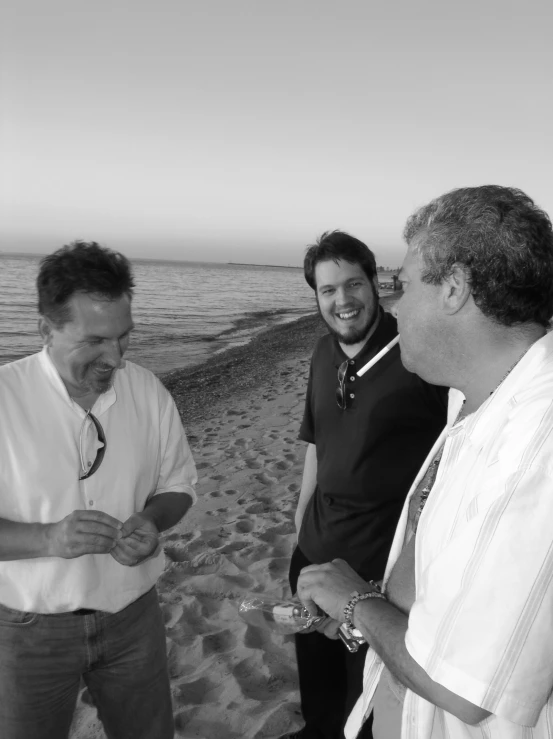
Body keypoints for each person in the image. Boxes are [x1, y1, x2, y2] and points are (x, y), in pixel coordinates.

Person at [296, 186, 553, 739]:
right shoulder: (472, 393)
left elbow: (462, 688)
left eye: (402, 286)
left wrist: (357, 603)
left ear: (455, 288)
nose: (395, 305)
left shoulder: (537, 447)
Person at [0, 241, 197, 739]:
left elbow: (178, 485)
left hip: (134, 617)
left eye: (124, 338)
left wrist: (152, 522)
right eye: (94, 342)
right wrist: (48, 540)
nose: (117, 358)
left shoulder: (148, 391)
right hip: (25, 632)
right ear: (45, 329)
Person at [282, 231, 448, 739]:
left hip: (375, 570)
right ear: (315, 296)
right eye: (327, 290)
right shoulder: (321, 353)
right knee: (319, 686)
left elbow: (451, 456)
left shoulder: (418, 353)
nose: (342, 300)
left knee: (367, 704)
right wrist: (299, 520)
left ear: (375, 283)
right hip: (313, 554)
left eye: (353, 284)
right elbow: (315, 442)